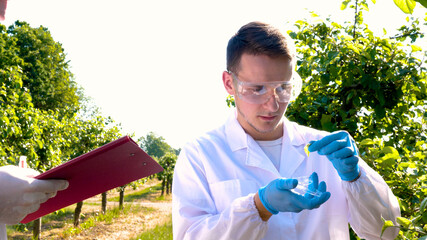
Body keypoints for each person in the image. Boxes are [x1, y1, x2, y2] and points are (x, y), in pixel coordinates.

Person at [172, 21, 401, 240]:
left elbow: (386, 232)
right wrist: (259, 207)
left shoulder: (325, 149)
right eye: (257, 89)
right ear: (229, 83)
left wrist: (356, 178)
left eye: (283, 88)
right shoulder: (201, 155)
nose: (273, 105)